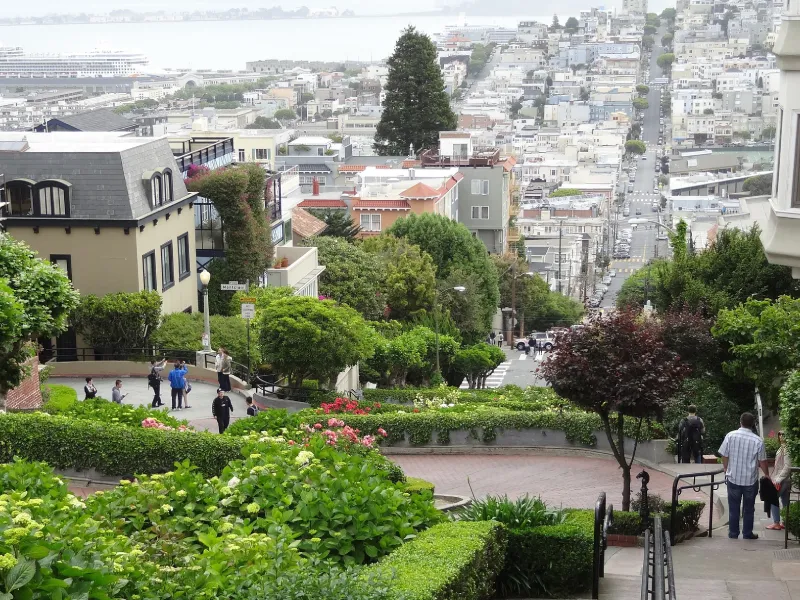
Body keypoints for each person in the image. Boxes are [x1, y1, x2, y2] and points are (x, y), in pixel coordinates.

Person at [719, 412, 770, 540]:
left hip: (733, 478)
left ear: (740, 421)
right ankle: (747, 533)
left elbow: (724, 455)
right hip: (750, 481)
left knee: (733, 508)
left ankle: (733, 533)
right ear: (753, 424)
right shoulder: (758, 440)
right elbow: (762, 461)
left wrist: (726, 468)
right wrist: (767, 475)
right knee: (748, 508)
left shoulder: (730, 436)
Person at [767, 431, 792, 530]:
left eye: (783, 434)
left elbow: (787, 466)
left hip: (782, 479)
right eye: (779, 434)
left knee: (773, 499)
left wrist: (778, 479)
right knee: (785, 500)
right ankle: (786, 522)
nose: (781, 436)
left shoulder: (786, 449)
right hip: (784, 479)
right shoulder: (782, 448)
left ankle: (776, 522)